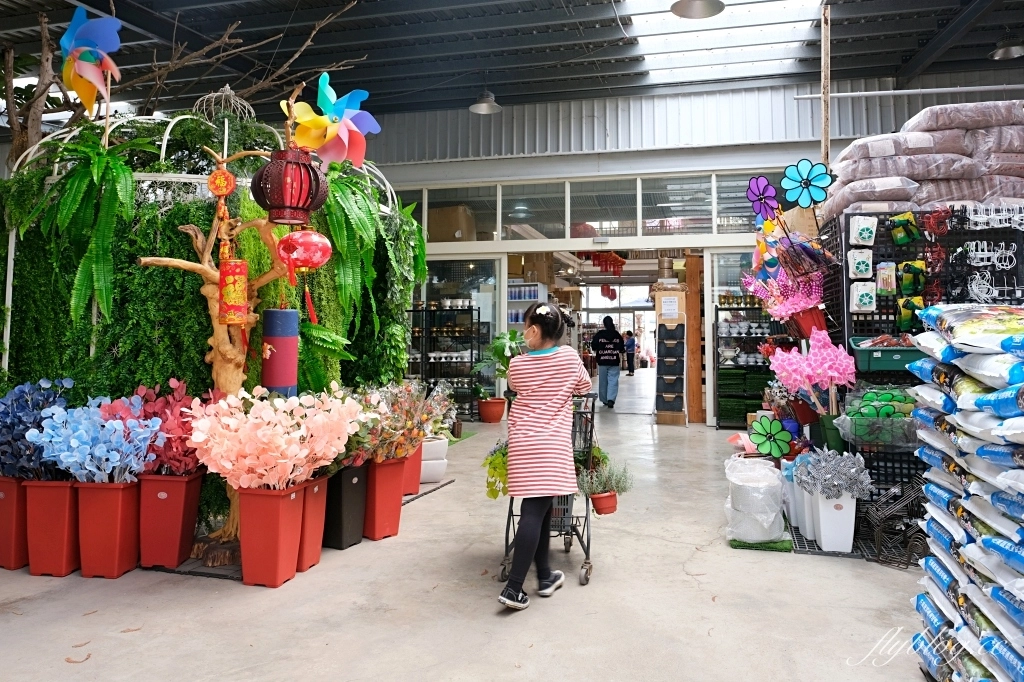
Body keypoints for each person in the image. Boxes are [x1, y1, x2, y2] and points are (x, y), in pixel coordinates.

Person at [499, 302, 592, 611]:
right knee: (534, 510)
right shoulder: (568, 357)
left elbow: (514, 387)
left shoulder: (518, 364)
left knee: (538, 508)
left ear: (534, 331)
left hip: (524, 447)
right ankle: (514, 588)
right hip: (551, 448)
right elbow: (584, 385)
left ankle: (544, 576)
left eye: (526, 326)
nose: (523, 332)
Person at [590, 316, 624, 408]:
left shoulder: (599, 334)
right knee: (613, 380)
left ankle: (604, 399)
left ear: (604, 324)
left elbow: (593, 346)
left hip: (602, 361)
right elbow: (622, 348)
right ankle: (611, 399)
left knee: (603, 381)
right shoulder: (617, 335)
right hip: (614, 361)